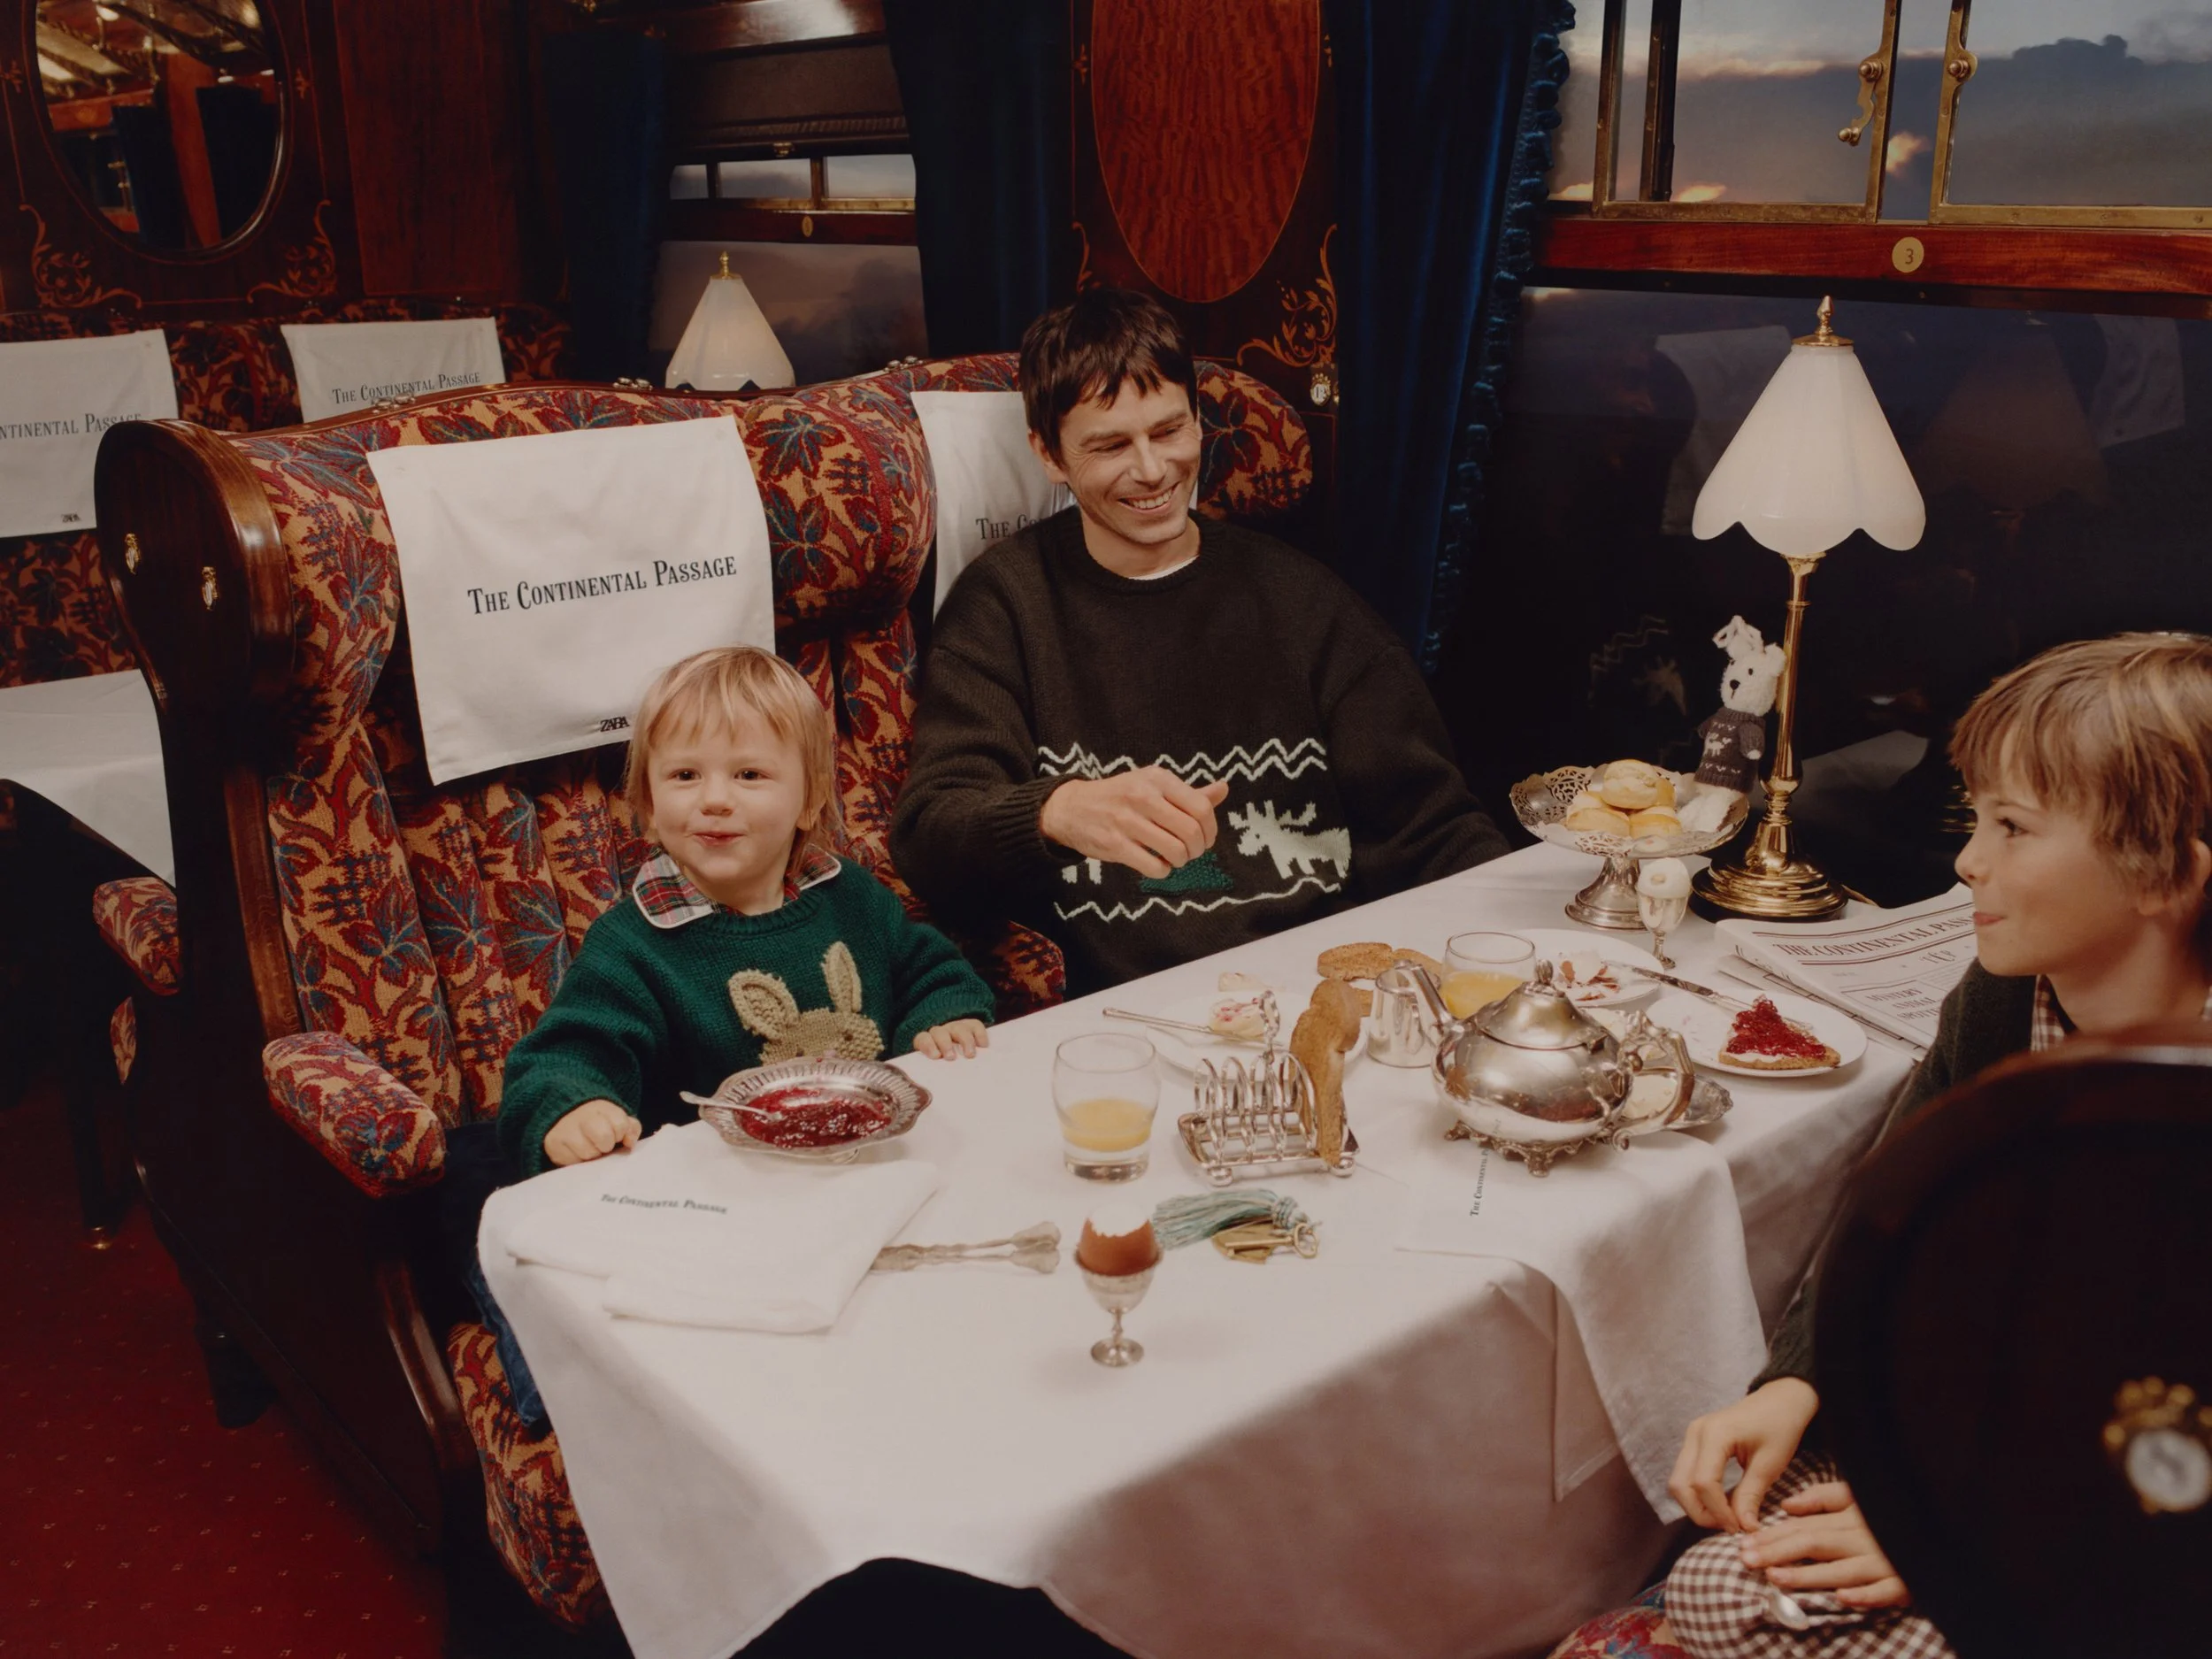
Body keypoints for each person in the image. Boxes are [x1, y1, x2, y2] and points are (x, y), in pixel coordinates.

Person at [1559, 633, 2212, 1659]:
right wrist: (1800, 1380)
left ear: (2165, 873)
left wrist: (1970, 1528)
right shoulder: (2004, 996)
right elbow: (1887, 1229)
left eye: (2013, 827)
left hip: (2140, 1518)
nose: (1967, 861)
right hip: (1990, 1432)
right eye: (1976, 817)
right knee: (1722, 1580)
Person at [890, 288, 1508, 995]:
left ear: (1198, 420)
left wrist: (1522, 952)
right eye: (1111, 445)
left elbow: (1434, 827)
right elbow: (929, 835)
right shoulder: (1005, 605)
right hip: (1131, 1010)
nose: (1153, 469)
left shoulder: (1301, 598)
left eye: (1169, 431)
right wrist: (1055, 812)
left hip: (1330, 986)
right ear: (1048, 454)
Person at [497, 646, 996, 1179]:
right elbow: (565, 1057)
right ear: (647, 806)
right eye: (685, 775)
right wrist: (573, 1108)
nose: (714, 799)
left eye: (750, 774)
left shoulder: (848, 894)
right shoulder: (629, 947)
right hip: (721, 1187)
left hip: (868, 1158)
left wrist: (939, 1020)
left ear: (810, 800)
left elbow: (929, 972)